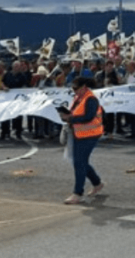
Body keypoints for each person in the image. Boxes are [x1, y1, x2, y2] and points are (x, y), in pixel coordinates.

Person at [60, 75, 104, 204]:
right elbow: (77, 114)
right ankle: (97, 183)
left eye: (75, 88)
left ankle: (78, 193)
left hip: (90, 134)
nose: (73, 91)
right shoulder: (79, 97)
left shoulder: (90, 99)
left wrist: (71, 119)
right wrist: (67, 116)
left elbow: (89, 117)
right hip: (80, 133)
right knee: (80, 162)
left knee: (79, 163)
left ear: (83, 87)